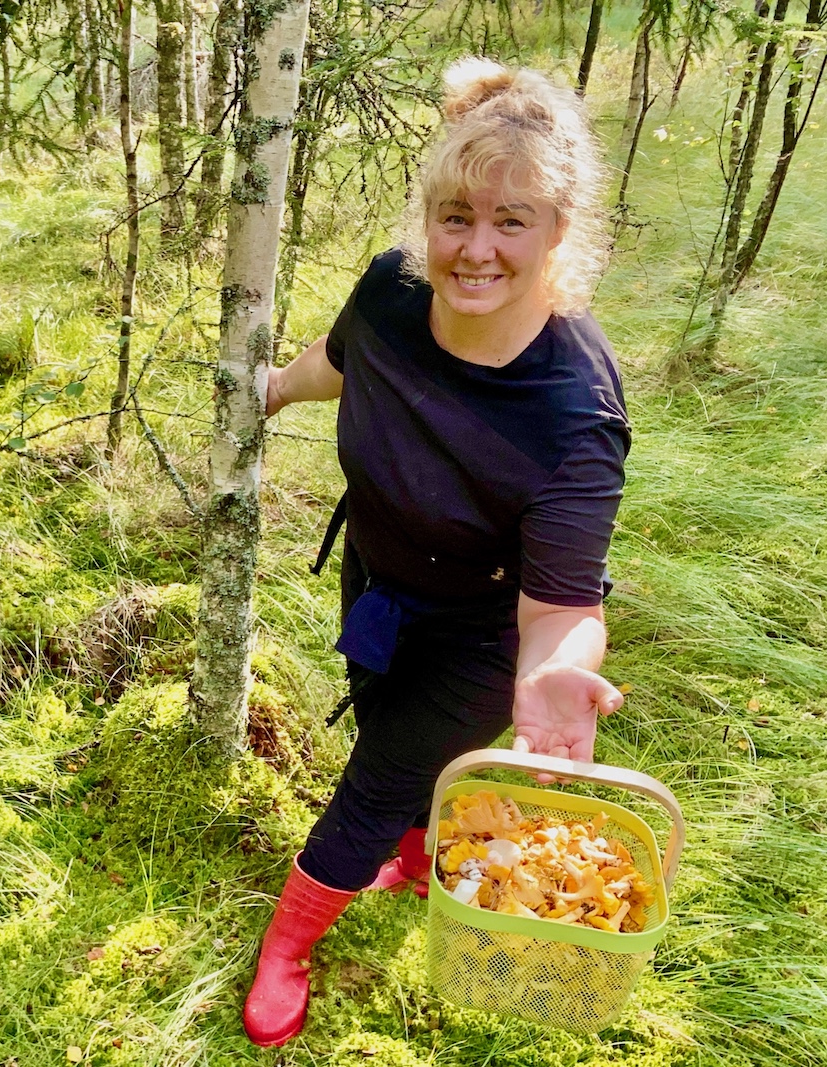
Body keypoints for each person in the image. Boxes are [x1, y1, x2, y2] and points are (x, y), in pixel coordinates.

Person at [242, 58, 631, 1048]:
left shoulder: (573, 410)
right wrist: (267, 391)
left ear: (558, 229)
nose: (476, 248)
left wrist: (552, 671)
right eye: (456, 214)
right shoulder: (390, 289)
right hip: (378, 573)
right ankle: (416, 852)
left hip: (485, 630)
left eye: (512, 221)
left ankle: (287, 942)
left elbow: (560, 603)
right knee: (387, 717)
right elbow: (337, 361)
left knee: (375, 774)